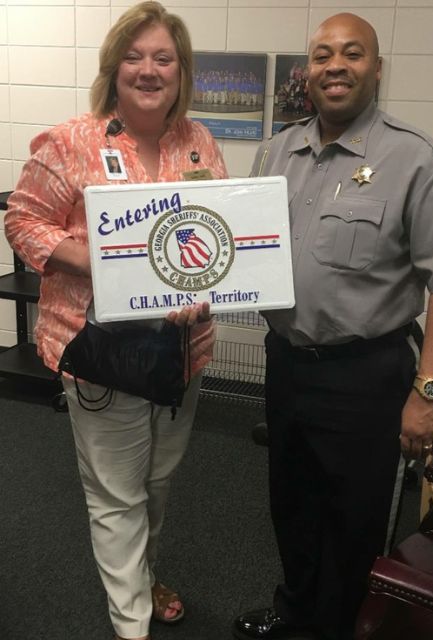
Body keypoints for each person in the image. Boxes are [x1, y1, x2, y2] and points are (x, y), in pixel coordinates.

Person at [233, 12, 433, 640]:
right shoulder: (276, 151)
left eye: (352, 54)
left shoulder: (415, 159)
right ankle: (296, 610)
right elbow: (246, 248)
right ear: (308, 71)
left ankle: (340, 627)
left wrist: (429, 391)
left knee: (353, 519)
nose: (336, 66)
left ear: (376, 70)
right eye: (322, 54)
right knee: (292, 502)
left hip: (366, 374)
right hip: (287, 363)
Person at [5, 3, 228, 639]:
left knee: (156, 483)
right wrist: (102, 261)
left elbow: (217, 232)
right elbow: (22, 221)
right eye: (134, 57)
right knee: (116, 495)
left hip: (183, 351)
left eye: (163, 58)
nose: (148, 70)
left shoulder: (200, 142)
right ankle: (132, 623)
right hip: (101, 351)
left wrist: (203, 287)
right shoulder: (71, 141)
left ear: (182, 71)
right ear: (114, 68)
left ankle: (142, 575)